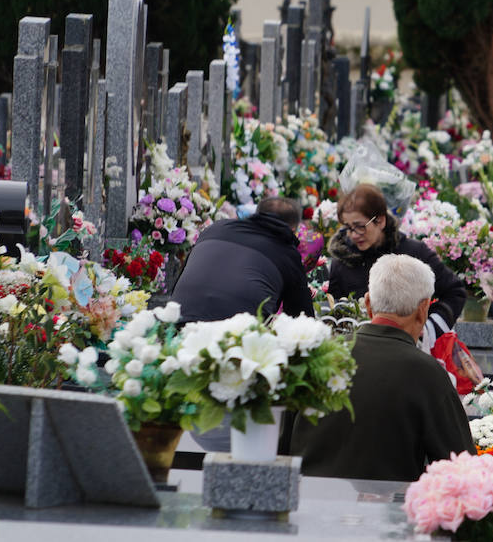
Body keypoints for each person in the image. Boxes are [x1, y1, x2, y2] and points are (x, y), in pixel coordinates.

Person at [291, 254, 475, 481]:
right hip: (385, 511)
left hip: (305, 503)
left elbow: (278, 446)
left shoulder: (316, 357)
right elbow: (460, 469)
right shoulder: (428, 374)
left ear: (367, 304)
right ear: (423, 309)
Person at [328, 183, 466, 349]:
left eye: (360, 226)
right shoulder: (342, 261)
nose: (354, 235)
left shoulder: (413, 252)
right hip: (358, 355)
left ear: (380, 220)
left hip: (409, 353)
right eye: (348, 228)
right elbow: (335, 312)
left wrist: (427, 330)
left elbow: (455, 292)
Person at [171, 196, 314, 324]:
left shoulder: (214, 229)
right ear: (294, 228)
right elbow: (302, 320)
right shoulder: (286, 253)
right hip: (235, 334)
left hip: (177, 318)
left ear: (257, 214)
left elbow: (184, 274)